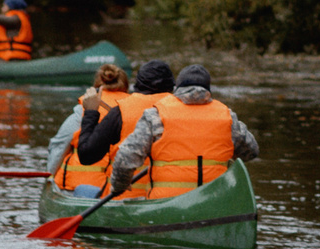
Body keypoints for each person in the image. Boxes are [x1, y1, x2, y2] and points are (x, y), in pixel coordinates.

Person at [105, 62, 258, 201]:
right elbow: (251, 152)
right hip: (214, 201)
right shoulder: (227, 116)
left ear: (177, 88)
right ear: (208, 89)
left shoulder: (156, 115)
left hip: (166, 205)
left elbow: (126, 157)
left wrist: (119, 186)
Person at [52, 62, 139, 196]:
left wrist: (50, 175)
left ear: (96, 85)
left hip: (72, 187)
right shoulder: (134, 110)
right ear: (126, 87)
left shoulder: (82, 109)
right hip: (111, 189)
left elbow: (59, 146)